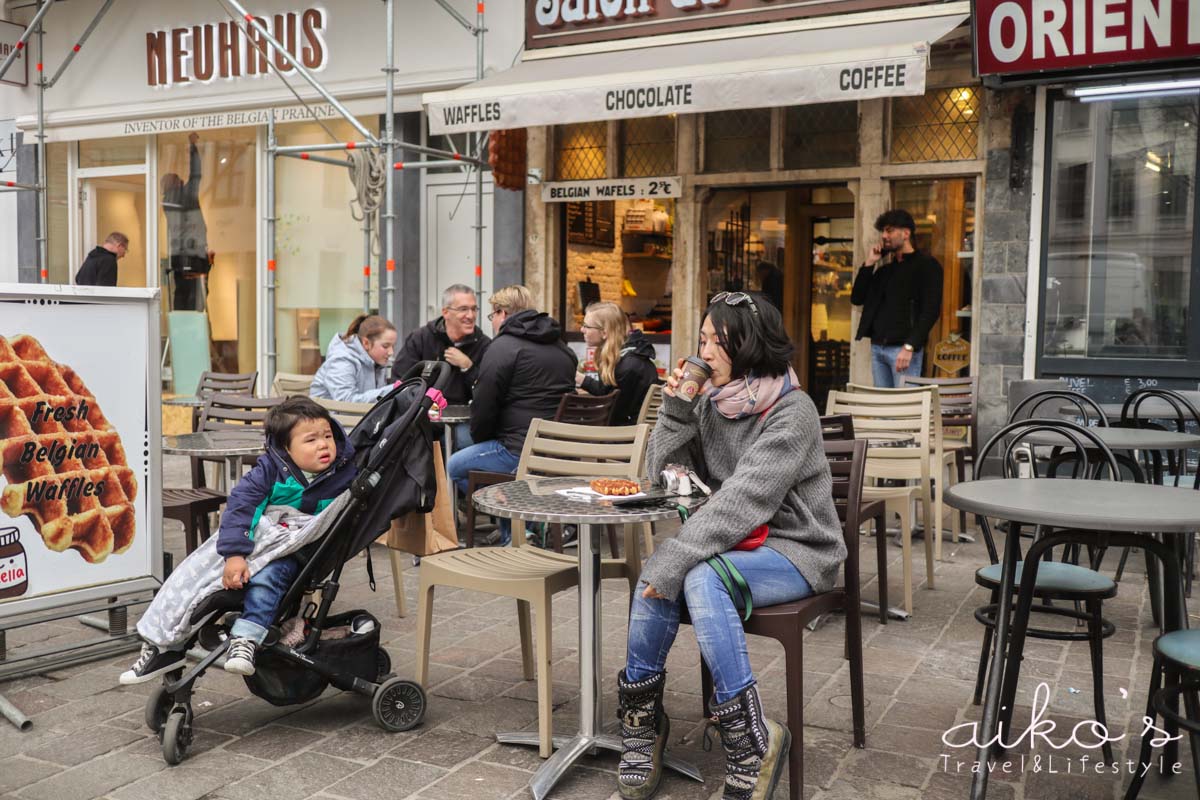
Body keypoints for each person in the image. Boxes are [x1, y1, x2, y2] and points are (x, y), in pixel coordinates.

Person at [615, 292, 844, 800]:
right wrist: (675, 409)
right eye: (702, 340)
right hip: (732, 545)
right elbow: (664, 478)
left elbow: (744, 500)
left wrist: (675, 558)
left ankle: (749, 743)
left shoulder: (792, 410)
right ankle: (644, 722)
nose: (706, 352)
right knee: (673, 568)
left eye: (719, 342)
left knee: (687, 571)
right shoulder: (712, 402)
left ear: (749, 346)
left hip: (798, 551)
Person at [120, 397, 356, 683]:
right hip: (255, 539)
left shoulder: (343, 473)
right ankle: (164, 643)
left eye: (328, 436)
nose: (323, 445)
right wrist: (235, 556)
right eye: (311, 440)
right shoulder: (269, 470)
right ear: (285, 448)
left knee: (269, 577)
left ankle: (246, 637)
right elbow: (241, 508)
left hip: (296, 549)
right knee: (191, 577)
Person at [448, 285, 576, 544]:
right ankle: (524, 527)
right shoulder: (562, 348)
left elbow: (483, 406)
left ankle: (521, 527)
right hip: (554, 452)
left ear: (502, 313)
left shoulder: (503, 347)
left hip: (517, 451)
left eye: (491, 315)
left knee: (454, 466)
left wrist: (483, 436)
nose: (492, 322)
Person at [850, 209, 944, 388]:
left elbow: (931, 311)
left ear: (906, 233)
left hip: (904, 350)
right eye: (883, 231)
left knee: (904, 410)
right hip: (878, 348)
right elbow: (857, 298)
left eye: (889, 230)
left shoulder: (927, 266)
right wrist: (870, 263)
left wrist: (910, 346)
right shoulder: (884, 270)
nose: (884, 236)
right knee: (884, 411)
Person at [391, 284, 491, 446]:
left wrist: (468, 367)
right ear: (445, 312)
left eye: (474, 309)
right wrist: (422, 404)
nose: (470, 315)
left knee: (465, 442)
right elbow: (400, 380)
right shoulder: (421, 338)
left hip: (463, 421)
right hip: (422, 417)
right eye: (463, 309)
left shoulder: (484, 344)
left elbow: (486, 392)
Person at [575, 301, 659, 426]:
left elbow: (613, 412)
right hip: (627, 432)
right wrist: (580, 378)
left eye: (587, 326)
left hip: (625, 437)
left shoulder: (628, 365)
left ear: (604, 332)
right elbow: (607, 392)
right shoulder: (626, 357)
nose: (582, 330)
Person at [162, 132, 214, 311]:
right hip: (193, 253)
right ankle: (194, 329)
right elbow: (196, 174)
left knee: (181, 293)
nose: (183, 180)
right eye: (179, 179)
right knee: (197, 294)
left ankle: (180, 328)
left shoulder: (166, 202)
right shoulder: (186, 195)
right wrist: (193, 147)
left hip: (176, 254)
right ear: (176, 184)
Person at [310, 314, 398, 404]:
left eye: (393, 346)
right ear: (366, 343)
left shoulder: (377, 361)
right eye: (385, 346)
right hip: (327, 416)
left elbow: (376, 401)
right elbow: (346, 402)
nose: (391, 352)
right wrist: (392, 390)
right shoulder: (341, 361)